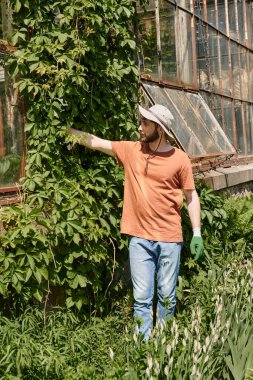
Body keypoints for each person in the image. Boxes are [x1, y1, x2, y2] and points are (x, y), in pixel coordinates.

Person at [68, 103, 204, 340]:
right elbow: (97, 142)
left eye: (145, 123)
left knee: (167, 296)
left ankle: (163, 349)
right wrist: (65, 131)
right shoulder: (132, 150)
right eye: (141, 121)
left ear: (160, 129)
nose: (140, 127)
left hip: (170, 239)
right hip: (139, 239)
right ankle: (144, 354)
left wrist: (197, 233)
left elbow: (191, 197)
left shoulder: (180, 159)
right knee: (141, 298)